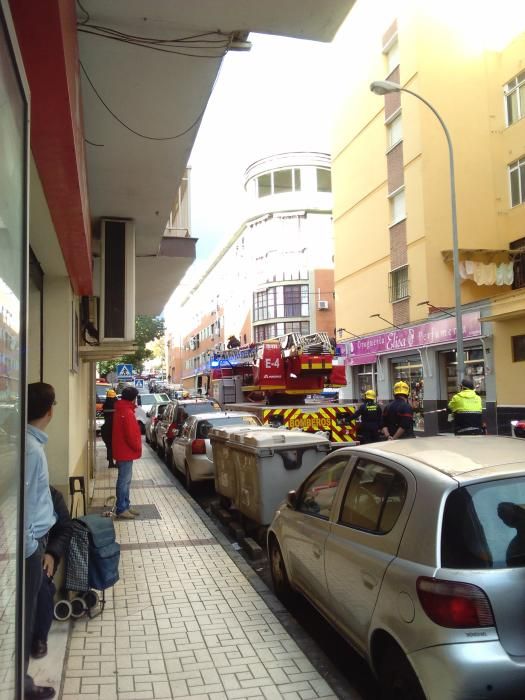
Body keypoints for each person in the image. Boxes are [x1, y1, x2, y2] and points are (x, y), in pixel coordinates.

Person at [25, 382, 58, 699]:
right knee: (28, 610)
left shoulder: (31, 445)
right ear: (49, 410)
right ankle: (22, 685)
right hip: (30, 544)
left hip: (35, 541)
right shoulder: (31, 451)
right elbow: (24, 505)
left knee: (36, 601)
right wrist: (31, 550)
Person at [31, 486, 73, 659]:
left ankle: (39, 638)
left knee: (41, 582)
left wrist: (52, 553)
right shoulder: (17, 495)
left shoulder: (53, 496)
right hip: (21, 553)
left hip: (45, 553)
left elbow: (65, 529)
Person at [112, 385, 142, 519]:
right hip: (126, 451)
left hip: (122, 450)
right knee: (124, 480)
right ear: (133, 399)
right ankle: (121, 508)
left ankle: (126, 505)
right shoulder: (127, 412)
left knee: (126, 480)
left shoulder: (122, 409)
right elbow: (130, 434)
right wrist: (137, 447)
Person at [100, 389, 117, 468]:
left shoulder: (105, 405)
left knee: (109, 446)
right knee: (117, 446)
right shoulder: (117, 405)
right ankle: (117, 462)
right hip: (115, 428)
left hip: (106, 428)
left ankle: (110, 462)